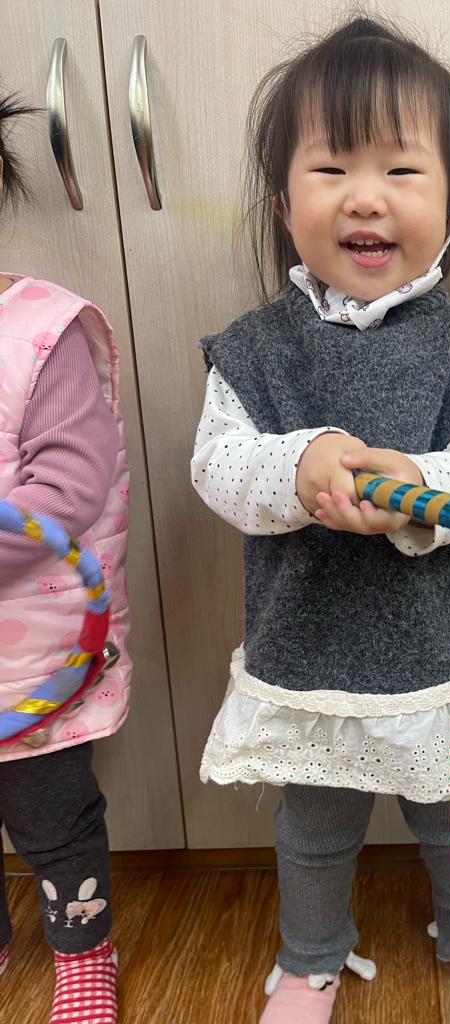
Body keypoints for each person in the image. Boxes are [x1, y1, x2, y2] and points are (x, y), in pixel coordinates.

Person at [190, 16, 450, 1023]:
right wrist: (297, 467)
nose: (365, 195)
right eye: (332, 166)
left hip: (441, 649)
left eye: (400, 168)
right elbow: (217, 467)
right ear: (283, 204)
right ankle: (310, 959)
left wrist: (417, 484)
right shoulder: (252, 351)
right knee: (313, 825)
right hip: (310, 650)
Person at [0, 94, 131, 1023]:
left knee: (52, 821)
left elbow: (71, 488)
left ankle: (83, 952)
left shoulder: (34, 336)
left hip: (30, 657)